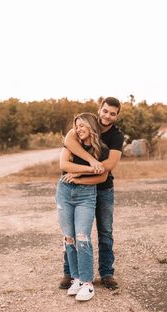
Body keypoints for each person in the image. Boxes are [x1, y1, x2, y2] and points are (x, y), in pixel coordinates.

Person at [59, 97, 124, 290]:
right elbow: (68, 141)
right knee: (72, 231)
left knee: (105, 231)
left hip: (103, 189)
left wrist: (78, 172)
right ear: (100, 109)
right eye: (105, 111)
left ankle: (106, 273)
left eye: (113, 113)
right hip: (79, 191)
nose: (107, 116)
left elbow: (109, 166)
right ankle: (69, 272)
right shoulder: (85, 124)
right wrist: (90, 163)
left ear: (117, 115)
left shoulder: (116, 136)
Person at [56, 112, 109, 301]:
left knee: (82, 237)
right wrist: (89, 167)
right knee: (69, 237)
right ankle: (76, 278)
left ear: (91, 127)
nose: (78, 129)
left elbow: (102, 175)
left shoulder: (102, 149)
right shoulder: (71, 143)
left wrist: (79, 176)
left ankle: (87, 283)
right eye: (76, 126)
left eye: (81, 126)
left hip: (86, 195)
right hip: (64, 191)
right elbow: (63, 164)